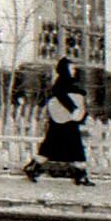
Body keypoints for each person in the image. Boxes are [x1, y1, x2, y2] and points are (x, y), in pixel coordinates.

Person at [23, 58, 92, 186]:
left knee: (49, 149)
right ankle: (80, 176)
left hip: (61, 122)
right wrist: (74, 109)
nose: (74, 71)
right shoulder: (61, 84)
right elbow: (62, 96)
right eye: (71, 68)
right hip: (65, 122)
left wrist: (82, 113)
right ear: (65, 70)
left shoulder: (69, 84)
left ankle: (32, 168)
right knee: (75, 149)